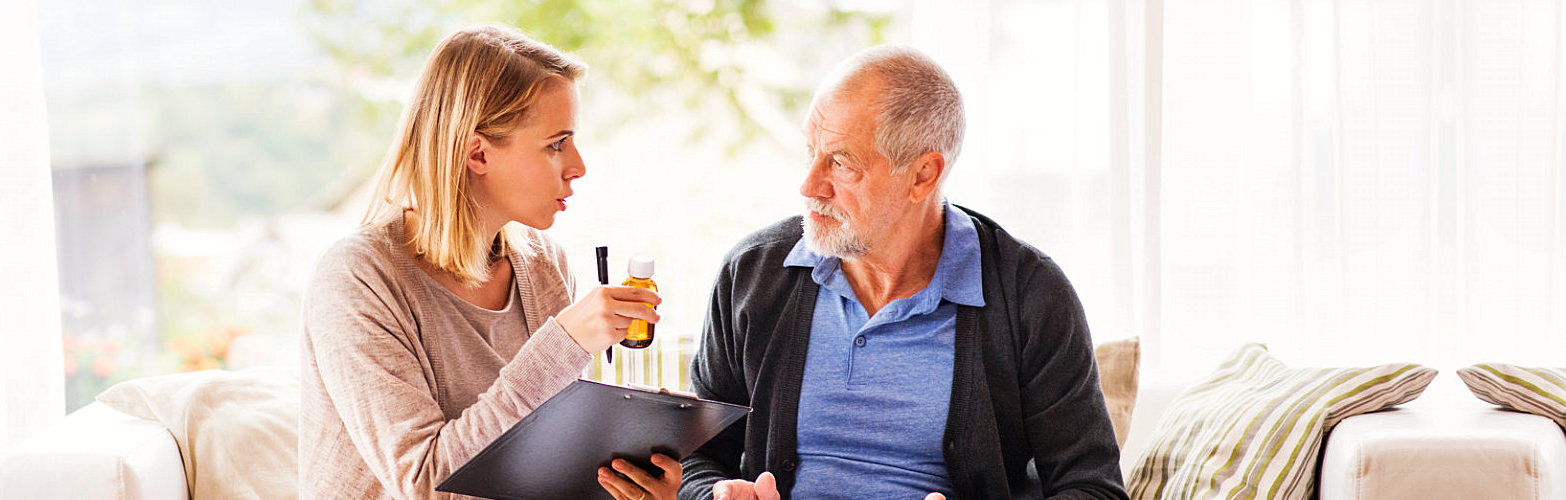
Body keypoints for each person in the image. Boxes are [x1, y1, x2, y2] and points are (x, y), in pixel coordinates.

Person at [679, 45, 1129, 500]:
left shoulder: (1031, 295)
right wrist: (714, 496)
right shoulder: (752, 274)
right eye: (810, 151)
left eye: (841, 162)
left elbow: (1093, 488)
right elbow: (697, 456)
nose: (809, 185)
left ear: (923, 176)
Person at [298, 25, 678, 500]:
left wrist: (629, 481)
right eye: (556, 143)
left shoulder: (544, 267)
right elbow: (427, 485)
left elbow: (541, 462)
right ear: (478, 152)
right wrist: (562, 344)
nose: (578, 165)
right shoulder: (359, 278)